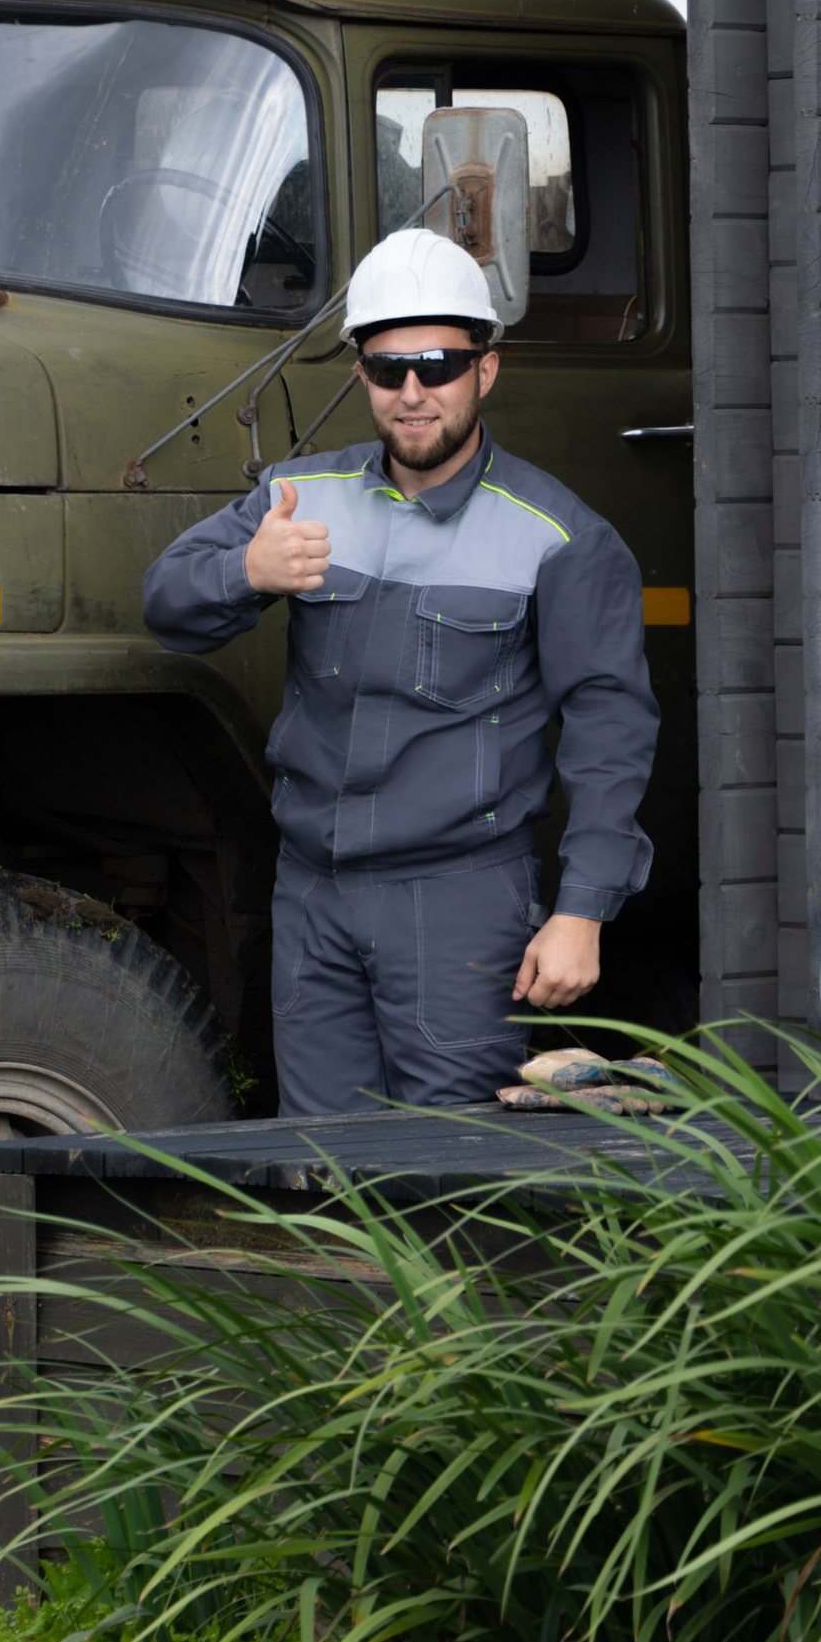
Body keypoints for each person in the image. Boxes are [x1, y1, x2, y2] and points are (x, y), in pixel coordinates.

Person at [141, 226, 659, 1115]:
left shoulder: (559, 537)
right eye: (388, 370)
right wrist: (245, 573)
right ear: (360, 376)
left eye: (438, 365)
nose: (413, 393)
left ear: (484, 372)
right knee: (327, 1175)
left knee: (455, 1180)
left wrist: (582, 912)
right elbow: (165, 602)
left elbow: (611, 734)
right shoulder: (302, 498)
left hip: (456, 901)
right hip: (310, 892)